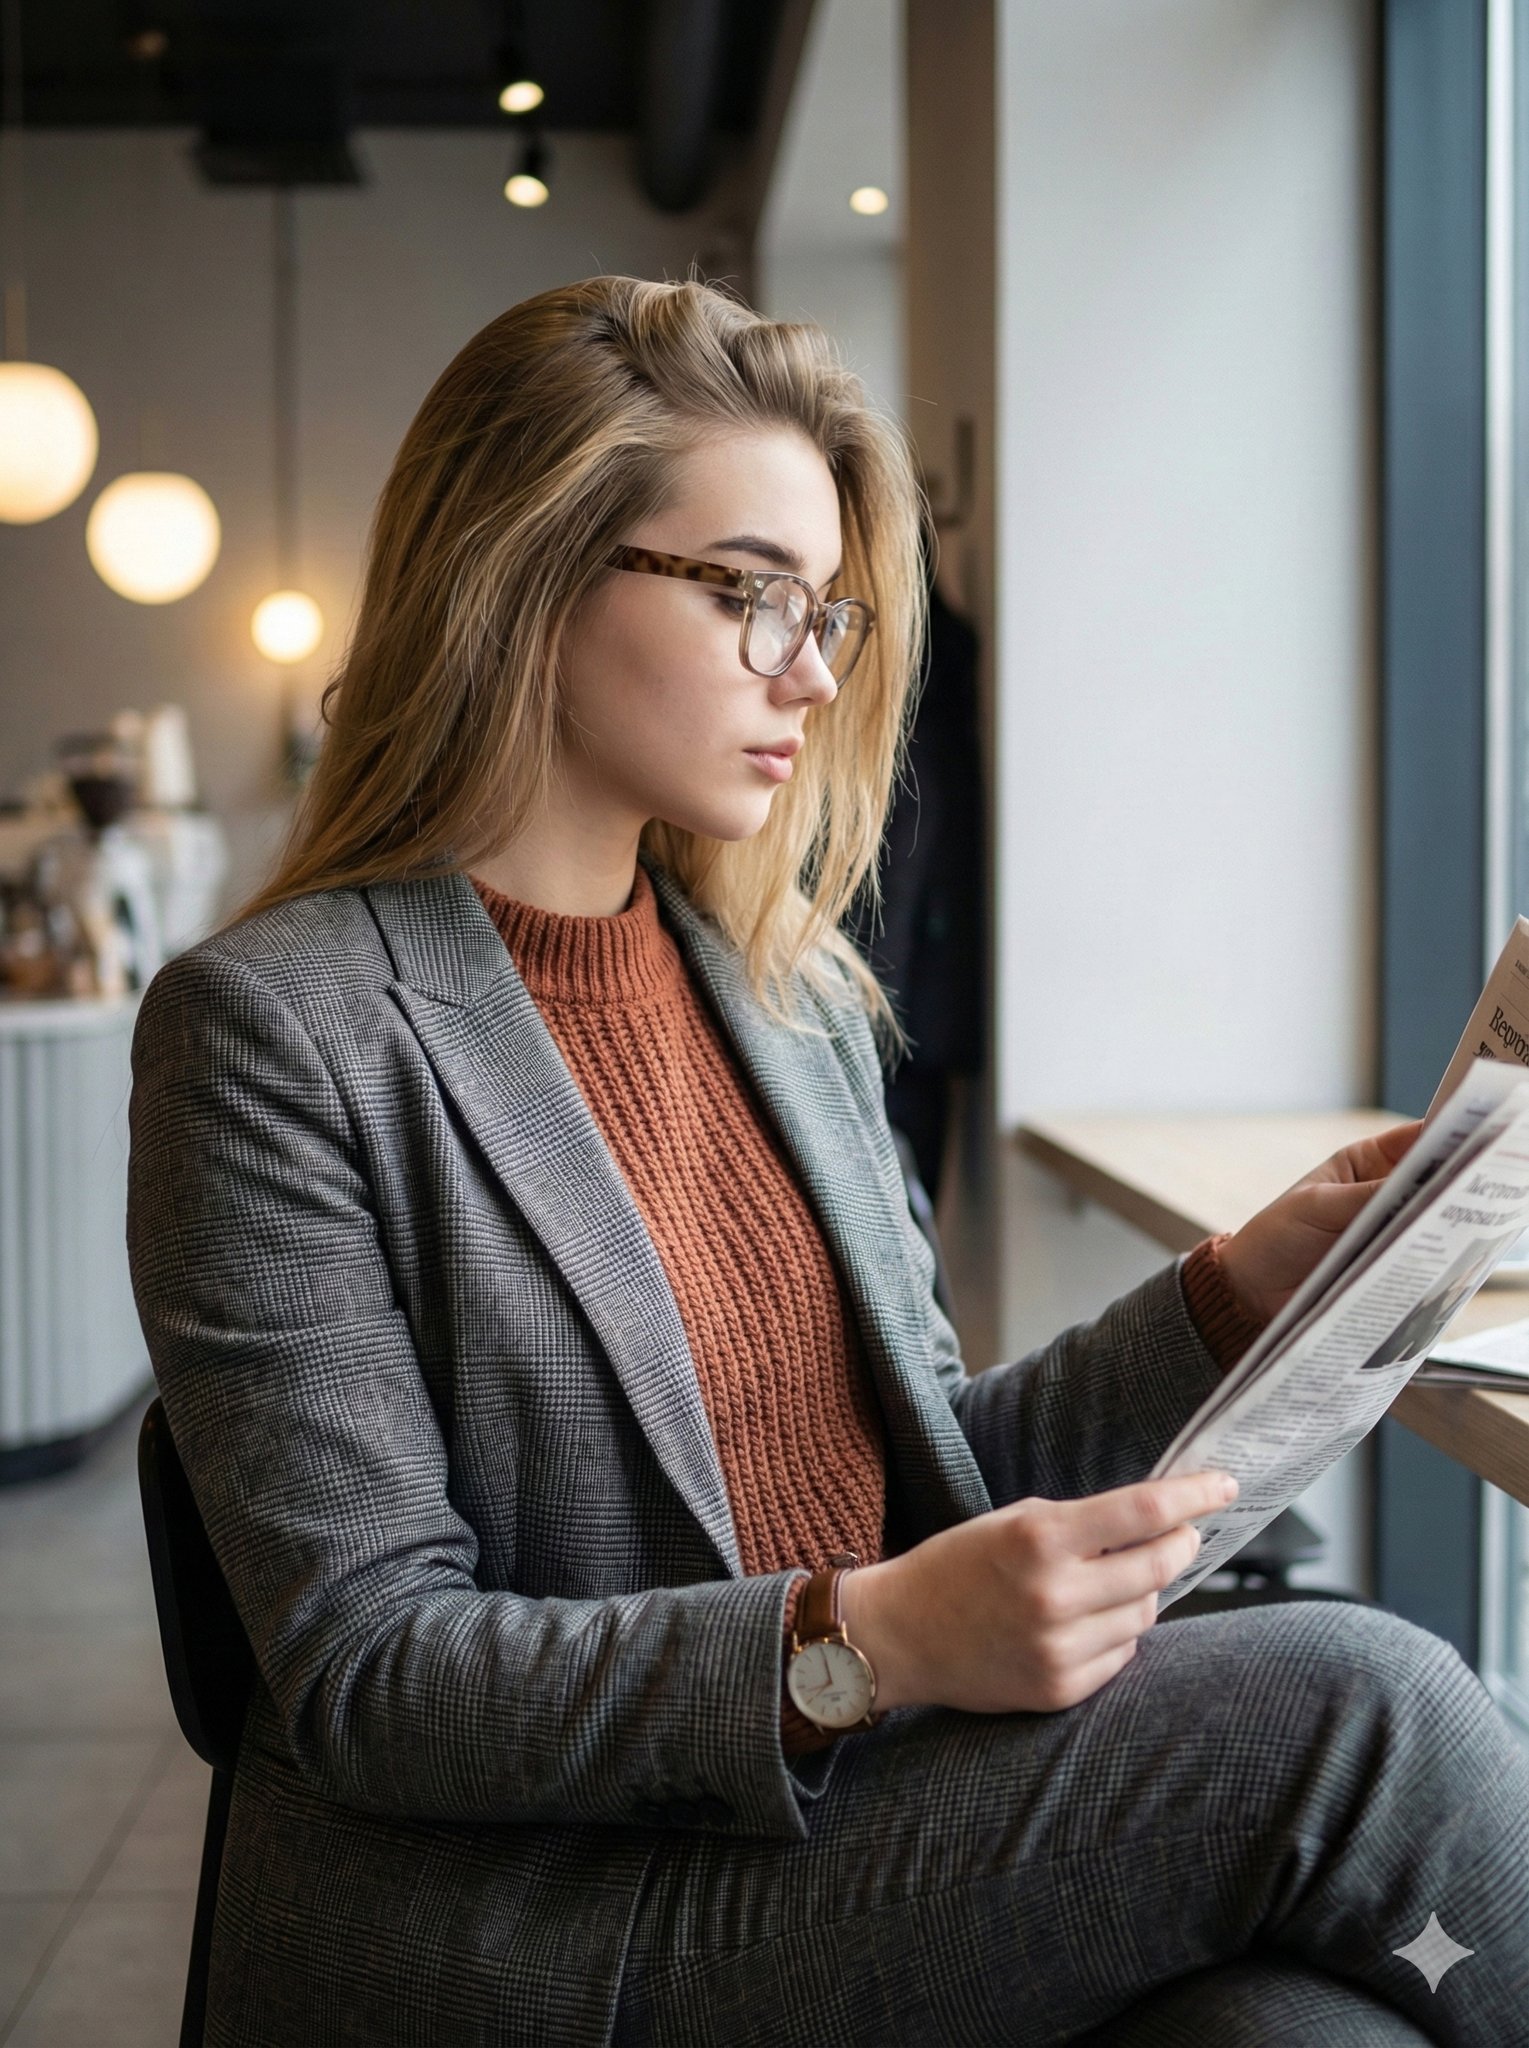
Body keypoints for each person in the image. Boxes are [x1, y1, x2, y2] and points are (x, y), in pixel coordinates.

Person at [125, 275, 1529, 2048]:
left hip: (841, 1828)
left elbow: (920, 1479)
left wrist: (1236, 1296)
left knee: (1300, 2037)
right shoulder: (273, 1028)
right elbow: (373, 1673)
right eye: (748, 595)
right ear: (526, 571)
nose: (808, 667)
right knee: (1364, 1700)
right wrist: (854, 1641)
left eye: (831, 614)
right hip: (547, 1914)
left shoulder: (782, 993)